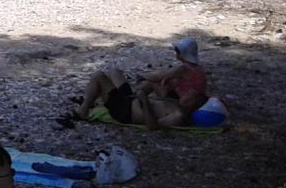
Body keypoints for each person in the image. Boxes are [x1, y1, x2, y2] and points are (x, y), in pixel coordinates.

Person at [73, 38, 208, 129]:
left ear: (195, 106)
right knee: (115, 71)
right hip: (130, 101)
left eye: (191, 97)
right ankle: (97, 98)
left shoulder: (179, 115)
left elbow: (153, 127)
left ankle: (83, 111)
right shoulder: (176, 102)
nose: (187, 94)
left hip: (125, 111)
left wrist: (146, 101)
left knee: (99, 76)